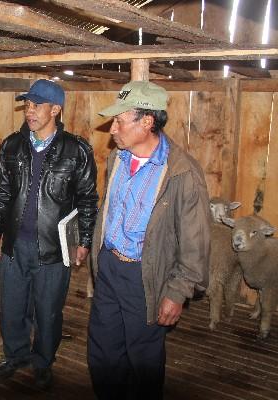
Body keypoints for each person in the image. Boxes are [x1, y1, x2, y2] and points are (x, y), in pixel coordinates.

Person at [87, 80, 211, 400]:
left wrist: (178, 292)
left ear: (146, 122)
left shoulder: (182, 173)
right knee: (103, 349)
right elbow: (109, 210)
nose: (113, 129)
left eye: (120, 120)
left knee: (143, 357)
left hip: (145, 276)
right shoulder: (117, 159)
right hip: (109, 267)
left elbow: (195, 241)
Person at [0, 79, 99, 390]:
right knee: (11, 307)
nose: (30, 111)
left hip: (54, 246)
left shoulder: (76, 150)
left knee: (48, 311)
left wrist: (84, 241)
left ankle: (43, 361)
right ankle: (15, 355)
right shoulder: (11, 145)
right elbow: (2, 193)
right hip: (14, 245)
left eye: (37, 105)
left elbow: (88, 199)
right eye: (27, 105)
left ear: (55, 109)